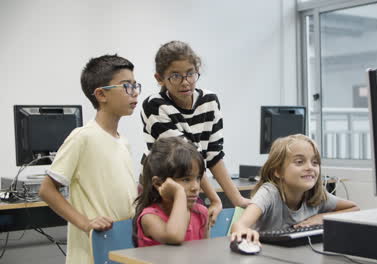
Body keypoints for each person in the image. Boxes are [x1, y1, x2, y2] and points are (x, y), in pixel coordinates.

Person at [38, 54, 140, 263]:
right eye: (126, 86)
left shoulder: (124, 142)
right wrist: (86, 223)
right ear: (101, 94)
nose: (134, 92)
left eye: (135, 85)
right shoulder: (82, 137)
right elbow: (47, 190)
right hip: (92, 250)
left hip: (120, 242)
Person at [140, 40, 249, 226]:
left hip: (193, 188)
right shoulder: (155, 106)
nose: (185, 82)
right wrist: (215, 199)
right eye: (175, 76)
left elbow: (214, 156)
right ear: (160, 78)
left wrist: (238, 200)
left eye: (190, 74)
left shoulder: (209, 101)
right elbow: (187, 160)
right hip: (165, 194)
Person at [230, 134, 359, 244]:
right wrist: (243, 231)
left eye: (315, 162)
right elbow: (239, 225)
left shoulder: (316, 196)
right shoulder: (269, 192)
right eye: (299, 162)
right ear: (278, 171)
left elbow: (354, 209)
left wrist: (320, 218)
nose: (310, 167)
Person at [134, 137, 209, 246]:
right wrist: (180, 194)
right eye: (186, 179)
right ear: (159, 184)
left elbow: (205, 254)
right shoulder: (149, 217)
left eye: (198, 178)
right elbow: (174, 236)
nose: (195, 187)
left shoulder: (201, 213)